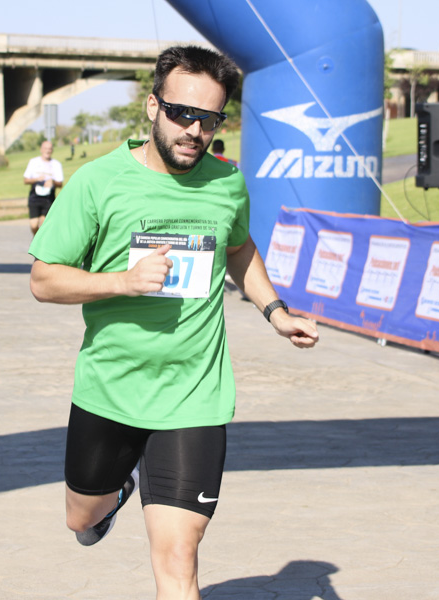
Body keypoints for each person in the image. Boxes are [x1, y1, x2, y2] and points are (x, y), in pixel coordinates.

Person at [28, 45, 319, 599]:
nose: (193, 129)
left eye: (208, 119)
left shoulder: (226, 184)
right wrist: (121, 280)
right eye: (181, 113)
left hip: (193, 395)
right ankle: (108, 498)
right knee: (79, 519)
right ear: (152, 106)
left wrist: (274, 311)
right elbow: (44, 279)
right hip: (110, 390)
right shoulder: (97, 182)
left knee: (178, 557)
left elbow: (238, 248)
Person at [23, 140, 64, 234]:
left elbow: (60, 183)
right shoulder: (33, 162)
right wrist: (37, 179)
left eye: (50, 149)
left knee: (43, 226)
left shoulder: (56, 164)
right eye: (45, 148)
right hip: (35, 197)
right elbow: (26, 180)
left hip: (48, 198)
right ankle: (36, 241)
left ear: (52, 150)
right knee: (33, 225)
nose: (47, 151)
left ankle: (39, 245)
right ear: (41, 149)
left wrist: (52, 182)